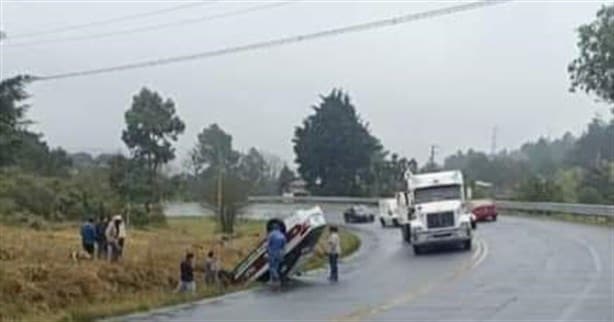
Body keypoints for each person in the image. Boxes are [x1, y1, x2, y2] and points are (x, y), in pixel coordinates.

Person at [266, 224, 286, 289]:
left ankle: (276, 278)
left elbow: (268, 244)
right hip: (280, 253)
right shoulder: (282, 235)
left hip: (272, 253)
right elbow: (284, 245)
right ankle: (272, 281)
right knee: (276, 267)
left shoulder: (271, 234)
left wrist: (266, 252)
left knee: (271, 267)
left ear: (273, 228)